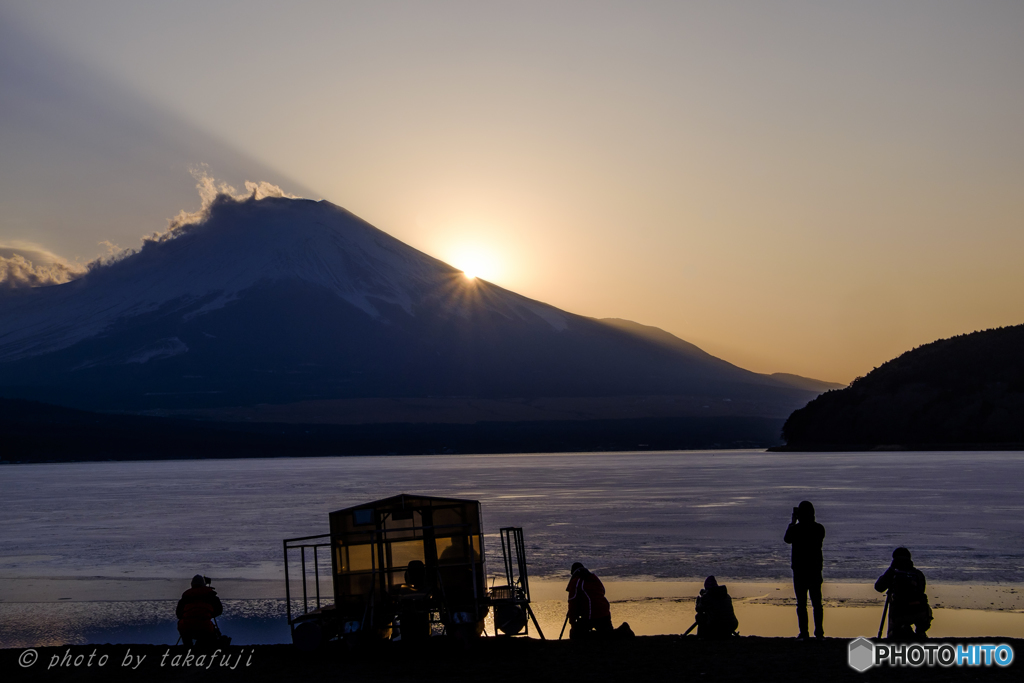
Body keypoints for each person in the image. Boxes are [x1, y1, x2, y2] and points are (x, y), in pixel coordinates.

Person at [784, 500, 825, 639]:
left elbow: (787, 539)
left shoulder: (796, 529)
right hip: (814, 570)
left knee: (802, 604)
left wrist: (793, 522)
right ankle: (818, 632)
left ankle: (804, 633)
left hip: (801, 571)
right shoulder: (819, 528)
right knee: (816, 604)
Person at [874, 547, 932, 639]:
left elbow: (879, 587)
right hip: (919, 612)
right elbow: (922, 591)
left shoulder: (894, 574)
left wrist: (891, 569)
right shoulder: (917, 574)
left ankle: (900, 631)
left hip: (900, 612)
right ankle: (919, 632)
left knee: (895, 632)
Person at [566, 562, 613, 639]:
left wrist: (572, 623)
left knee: (576, 635)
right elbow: (603, 592)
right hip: (605, 612)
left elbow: (572, 603)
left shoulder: (576, 581)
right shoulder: (594, 577)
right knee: (608, 635)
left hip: (591, 615)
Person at [176, 574, 224, 647]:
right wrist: (208, 614)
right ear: (203, 584)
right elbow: (219, 610)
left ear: (192, 584)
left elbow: (178, 614)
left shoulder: (186, 596)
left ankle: (188, 646)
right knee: (212, 635)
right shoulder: (210, 595)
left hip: (186, 627)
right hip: (205, 627)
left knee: (182, 625)